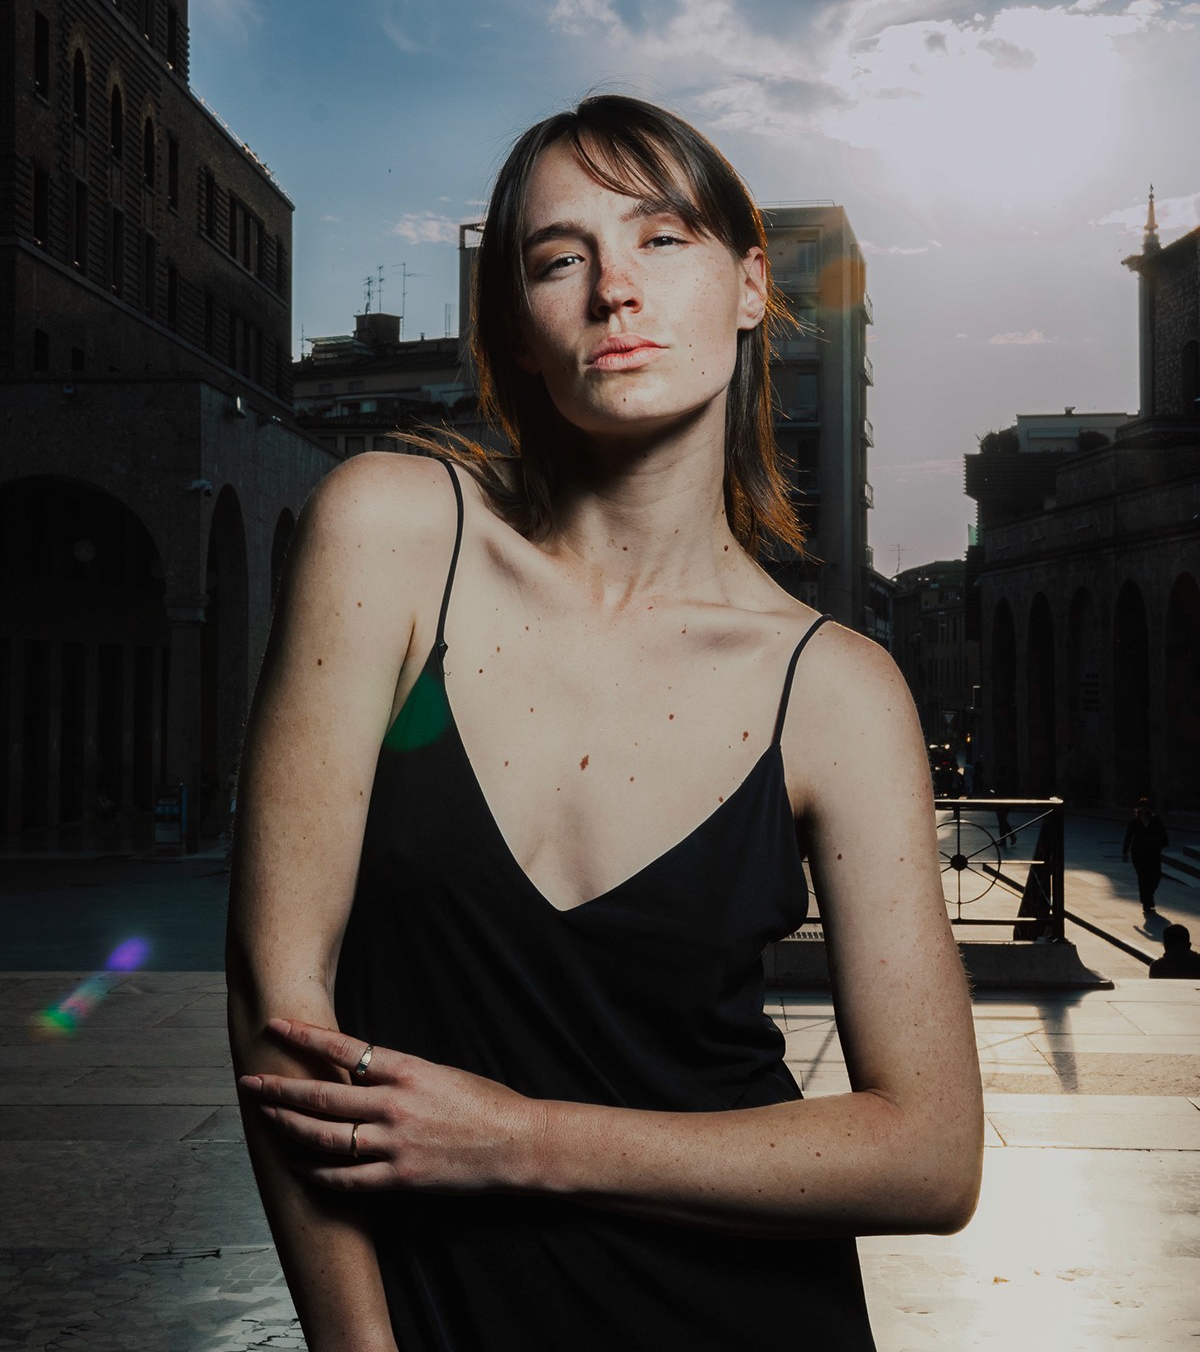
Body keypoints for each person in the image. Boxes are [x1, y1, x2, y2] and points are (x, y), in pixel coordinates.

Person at [226, 95, 983, 1352]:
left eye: (661, 241)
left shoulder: (838, 690)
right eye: (558, 257)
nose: (613, 291)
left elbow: (929, 1153)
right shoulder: (397, 533)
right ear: (519, 331)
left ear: (749, 287)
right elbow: (275, 1000)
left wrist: (524, 1142)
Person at [1122, 797, 1169, 916]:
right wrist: (1125, 852)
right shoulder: (1134, 822)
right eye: (1141, 806)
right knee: (1143, 878)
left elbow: (1163, 835)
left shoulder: (1156, 820)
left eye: (1145, 806)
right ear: (1137, 808)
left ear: (1149, 808)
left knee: (1156, 876)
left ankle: (1149, 895)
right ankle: (1146, 902)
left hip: (1153, 852)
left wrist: (1159, 845)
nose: (1143, 808)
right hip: (1138, 853)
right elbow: (1128, 837)